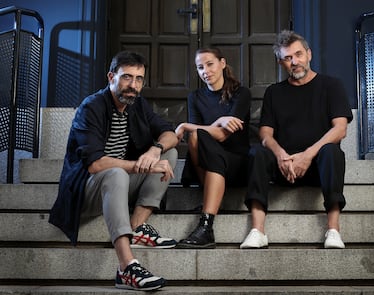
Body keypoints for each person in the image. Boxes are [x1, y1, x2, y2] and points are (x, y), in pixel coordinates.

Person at [48, 51, 179, 291]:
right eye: (127, 77)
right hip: (87, 191)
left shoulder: (137, 105)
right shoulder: (92, 107)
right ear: (111, 77)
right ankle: (126, 267)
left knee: (169, 153)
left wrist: (154, 151)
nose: (134, 85)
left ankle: (136, 226)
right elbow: (96, 164)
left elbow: (170, 133)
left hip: (118, 186)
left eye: (139, 79)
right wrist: (139, 165)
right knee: (116, 172)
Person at [240, 30, 353, 250]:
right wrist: (281, 155)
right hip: (284, 168)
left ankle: (333, 230)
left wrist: (307, 155)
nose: (294, 62)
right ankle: (257, 231)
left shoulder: (331, 86)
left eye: (298, 54)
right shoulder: (274, 92)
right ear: (280, 63)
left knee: (332, 151)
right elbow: (265, 133)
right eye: (287, 58)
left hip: (318, 168)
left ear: (309, 54)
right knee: (257, 153)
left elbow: (340, 129)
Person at [174, 47, 252, 248]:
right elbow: (202, 133)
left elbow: (223, 134)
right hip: (210, 161)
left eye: (210, 64)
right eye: (200, 67)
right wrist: (220, 120)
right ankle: (209, 209)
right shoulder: (195, 97)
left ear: (222, 63)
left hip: (236, 161)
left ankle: (206, 226)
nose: (205, 71)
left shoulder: (241, 93)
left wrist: (184, 126)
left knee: (197, 134)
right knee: (196, 137)